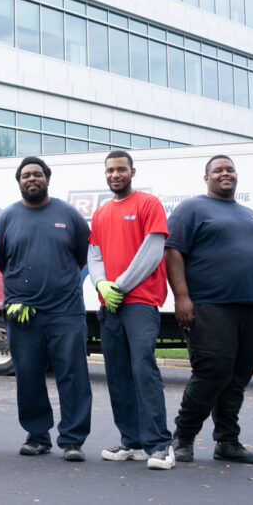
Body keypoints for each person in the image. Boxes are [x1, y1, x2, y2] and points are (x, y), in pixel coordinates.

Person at [165, 154, 253, 464]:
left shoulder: (252, 215)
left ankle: (227, 441)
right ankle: (183, 437)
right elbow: (173, 252)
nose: (225, 173)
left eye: (230, 169)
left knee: (238, 377)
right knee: (213, 371)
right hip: (211, 305)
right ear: (207, 178)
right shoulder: (192, 209)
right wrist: (182, 298)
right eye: (218, 170)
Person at [0, 156, 92, 461]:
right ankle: (37, 437)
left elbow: (84, 256)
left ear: (48, 179)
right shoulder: (7, 218)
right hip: (23, 315)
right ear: (19, 181)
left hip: (66, 312)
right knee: (29, 376)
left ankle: (73, 440)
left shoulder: (68, 214)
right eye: (26, 175)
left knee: (73, 375)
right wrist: (19, 292)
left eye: (37, 174)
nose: (31, 179)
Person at [88, 151, 174, 469]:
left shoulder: (148, 204)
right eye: (110, 170)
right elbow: (94, 254)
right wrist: (101, 286)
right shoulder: (100, 213)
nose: (115, 174)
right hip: (109, 305)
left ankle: (160, 445)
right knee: (118, 375)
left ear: (132, 172)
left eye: (121, 169)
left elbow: (152, 251)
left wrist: (119, 286)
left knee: (143, 370)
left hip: (140, 302)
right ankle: (132, 442)